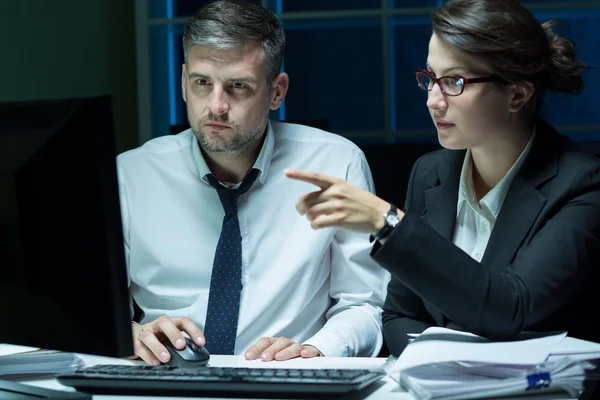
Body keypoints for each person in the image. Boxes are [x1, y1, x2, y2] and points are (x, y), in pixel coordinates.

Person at [286, 0, 600, 356]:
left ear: (517, 94)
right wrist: (446, 367)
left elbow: (510, 307)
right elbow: (398, 316)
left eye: (455, 81)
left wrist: (387, 222)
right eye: (431, 79)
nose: (433, 101)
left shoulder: (582, 184)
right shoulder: (430, 173)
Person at [116, 0, 389, 366]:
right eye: (201, 83)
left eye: (238, 87)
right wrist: (126, 332)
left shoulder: (336, 164)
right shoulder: (132, 174)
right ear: (182, 82)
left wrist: (319, 348)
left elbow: (366, 304)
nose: (216, 106)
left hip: (285, 378)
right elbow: (85, 306)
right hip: (165, 377)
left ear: (277, 92)